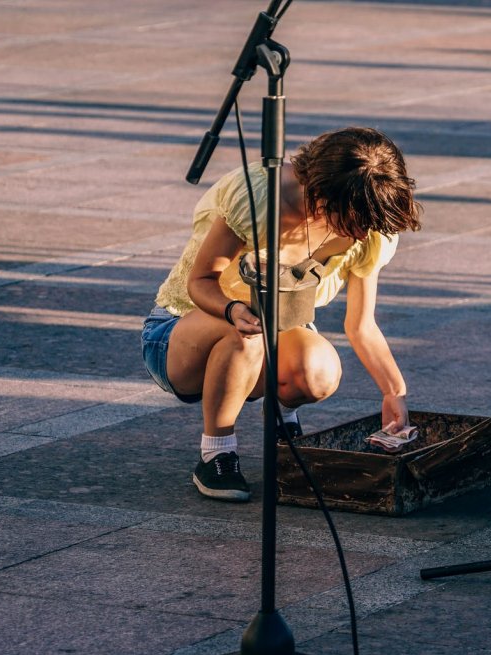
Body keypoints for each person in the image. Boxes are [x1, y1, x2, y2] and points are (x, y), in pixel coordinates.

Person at [141, 127, 420, 502]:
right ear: (320, 193)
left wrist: (394, 392)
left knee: (318, 371)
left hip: (273, 336)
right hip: (181, 334)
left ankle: (281, 421)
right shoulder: (261, 196)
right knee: (247, 333)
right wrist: (232, 308)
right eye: (353, 220)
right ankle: (217, 453)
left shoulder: (369, 226)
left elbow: (361, 324)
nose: (361, 233)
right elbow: (201, 281)